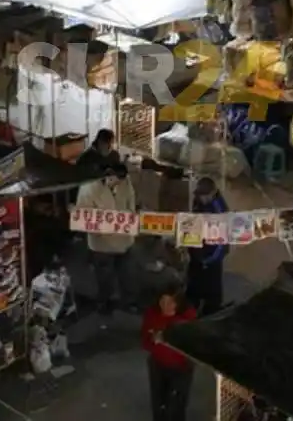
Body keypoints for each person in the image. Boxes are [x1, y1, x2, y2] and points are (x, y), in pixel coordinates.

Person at [75, 163, 138, 314]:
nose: (119, 183)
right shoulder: (88, 189)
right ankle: (105, 303)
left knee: (126, 273)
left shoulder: (126, 182)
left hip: (124, 240)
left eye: (122, 180)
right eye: (116, 179)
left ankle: (128, 302)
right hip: (102, 244)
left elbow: (131, 204)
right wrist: (104, 227)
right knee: (104, 276)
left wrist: (128, 220)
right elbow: (84, 218)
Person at [141, 285, 196, 421]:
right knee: (158, 402)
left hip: (180, 368)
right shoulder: (152, 314)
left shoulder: (187, 318)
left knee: (176, 405)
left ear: (178, 304)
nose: (165, 306)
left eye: (170, 302)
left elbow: (194, 346)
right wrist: (153, 340)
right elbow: (144, 340)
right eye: (162, 301)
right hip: (157, 365)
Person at [186, 177, 228, 315]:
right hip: (196, 252)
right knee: (193, 286)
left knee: (212, 289)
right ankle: (190, 309)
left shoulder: (220, 210)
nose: (201, 198)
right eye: (199, 195)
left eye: (204, 195)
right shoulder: (198, 202)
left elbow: (222, 243)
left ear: (212, 192)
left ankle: (211, 312)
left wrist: (208, 259)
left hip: (211, 258)